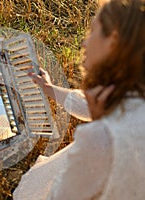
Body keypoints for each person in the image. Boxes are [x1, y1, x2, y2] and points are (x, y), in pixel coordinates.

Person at [13, 0, 145, 199]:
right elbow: (86, 106)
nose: (84, 42)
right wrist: (48, 88)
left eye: (93, 31)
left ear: (113, 41)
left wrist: (102, 122)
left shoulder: (102, 136)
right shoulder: (134, 98)